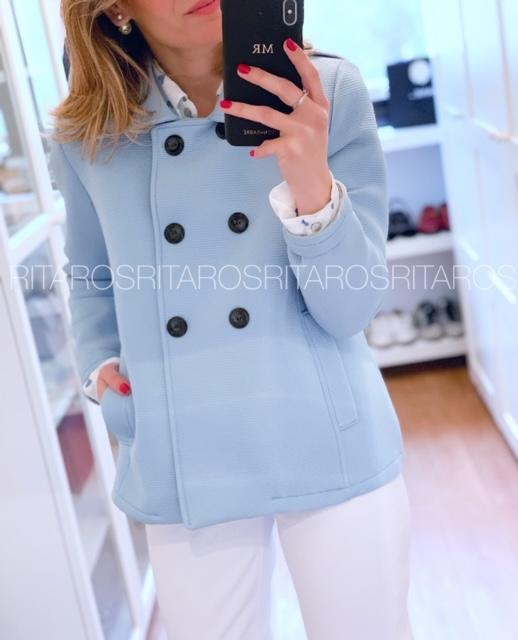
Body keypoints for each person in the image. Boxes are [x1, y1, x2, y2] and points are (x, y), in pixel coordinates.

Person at [49, 1, 414, 638]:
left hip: (326, 432)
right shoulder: (90, 131)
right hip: (183, 447)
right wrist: (100, 365)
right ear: (114, 7)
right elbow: (91, 273)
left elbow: (352, 307)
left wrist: (311, 180)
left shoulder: (327, 94)